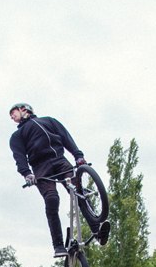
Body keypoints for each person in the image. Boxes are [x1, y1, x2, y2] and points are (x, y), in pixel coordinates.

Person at [9, 102, 109, 257]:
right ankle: (58, 245)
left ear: (24, 109)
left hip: (60, 160)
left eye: (13, 112)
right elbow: (19, 157)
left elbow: (65, 137)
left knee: (77, 191)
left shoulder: (48, 121)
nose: (12, 117)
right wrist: (26, 173)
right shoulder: (17, 136)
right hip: (41, 168)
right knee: (51, 199)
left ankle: (97, 231)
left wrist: (78, 156)